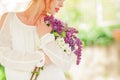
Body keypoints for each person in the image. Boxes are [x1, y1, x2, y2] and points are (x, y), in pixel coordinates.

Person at [0, 0, 74, 80]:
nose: (62, 5)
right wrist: (41, 58)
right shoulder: (9, 19)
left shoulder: (57, 26)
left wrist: (45, 36)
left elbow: (67, 63)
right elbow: (3, 56)